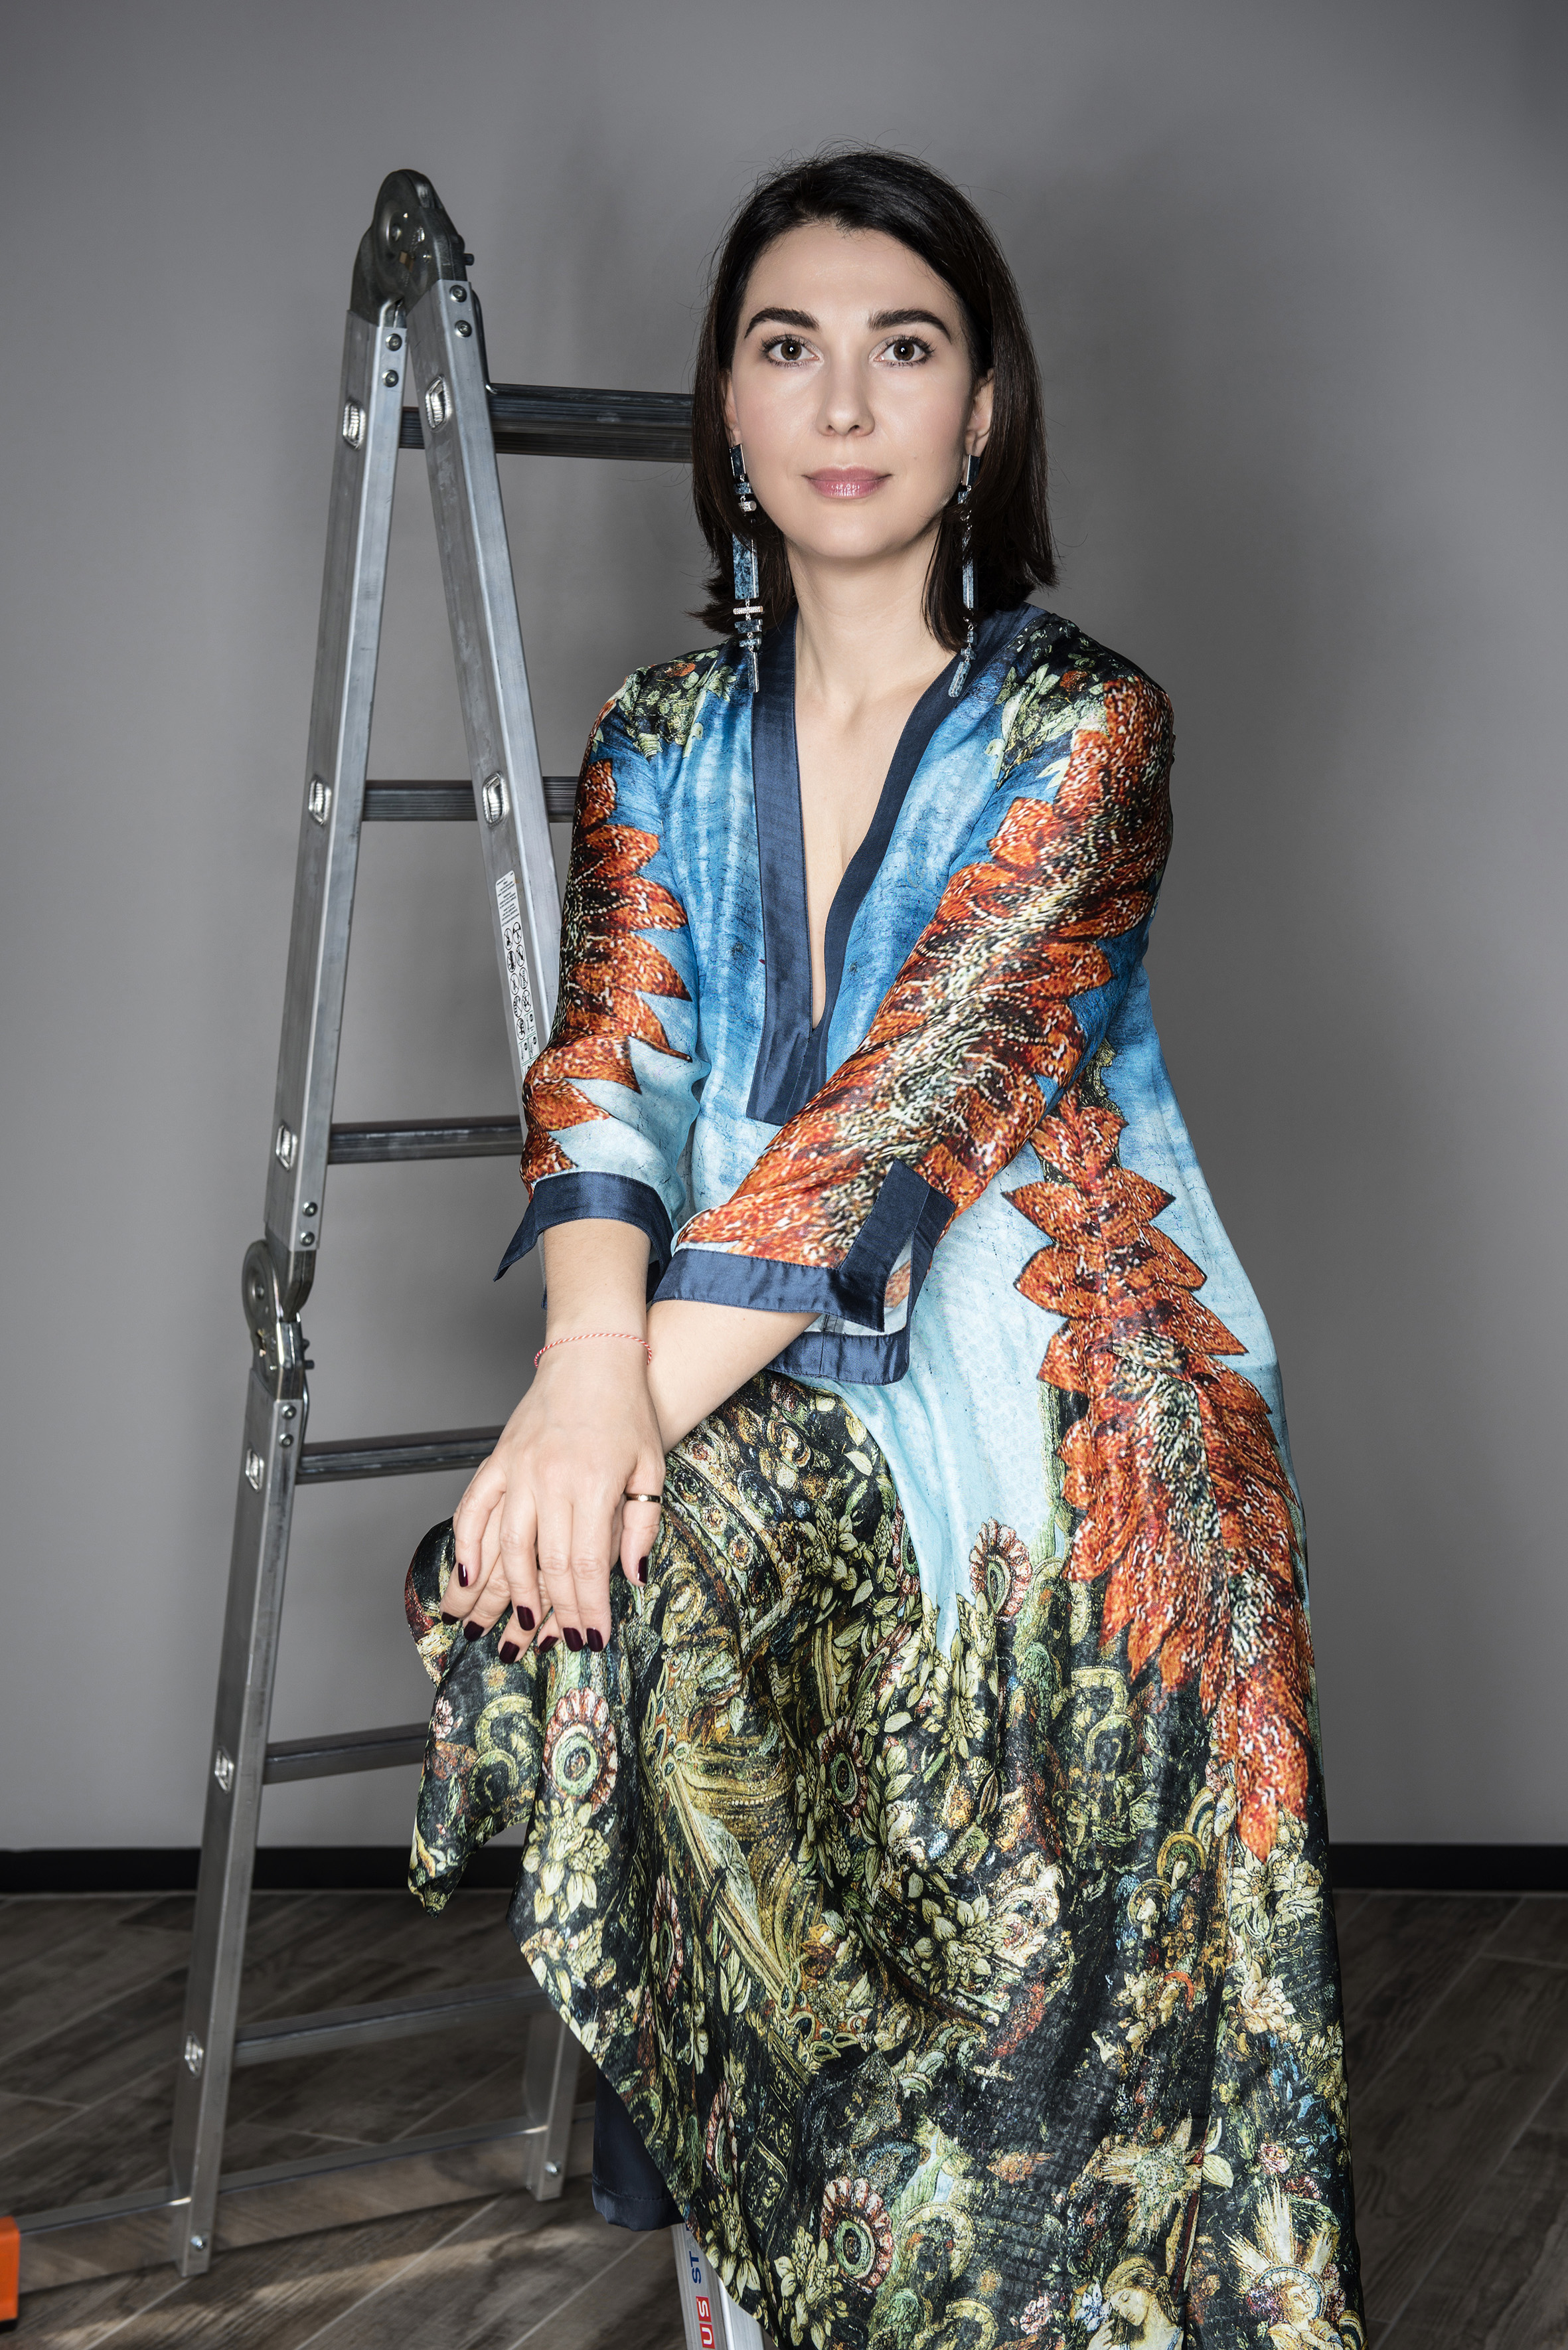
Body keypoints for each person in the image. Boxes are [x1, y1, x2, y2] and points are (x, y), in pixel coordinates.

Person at [403, 148, 1364, 2350]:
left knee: (1043, 2038)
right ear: (725, 411)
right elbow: (609, 1064)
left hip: (1058, 1386)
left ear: (983, 407)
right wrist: (579, 1376)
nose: (842, 403)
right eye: (787, 347)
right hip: (709, 1347)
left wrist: (598, 1421)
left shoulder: (1087, 725)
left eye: (901, 348)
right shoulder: (654, 733)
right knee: (581, 1614)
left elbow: (897, 1121)